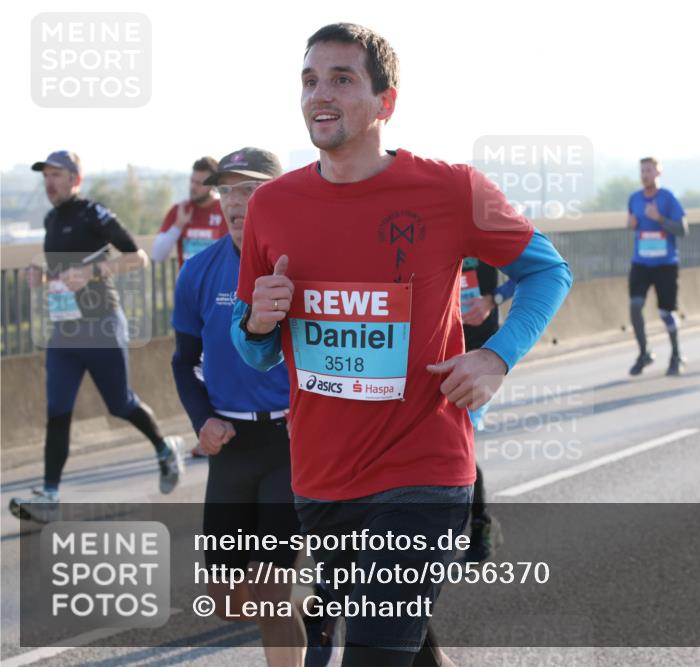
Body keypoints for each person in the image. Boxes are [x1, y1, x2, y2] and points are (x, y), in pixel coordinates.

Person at [230, 23, 572, 666]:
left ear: (385, 101)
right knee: (403, 652)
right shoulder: (272, 205)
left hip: (422, 471)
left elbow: (549, 271)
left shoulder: (450, 190)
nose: (319, 94)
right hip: (323, 478)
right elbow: (257, 351)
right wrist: (256, 325)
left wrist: (495, 355)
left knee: (373, 654)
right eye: (309, 80)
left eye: (341, 79)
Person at [170, 147, 314, 667]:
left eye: (250, 189)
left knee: (271, 594)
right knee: (229, 601)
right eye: (226, 190)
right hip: (230, 444)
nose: (235, 201)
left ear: (278, 195)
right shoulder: (198, 272)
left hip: (289, 442)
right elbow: (184, 361)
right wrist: (202, 420)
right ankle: (317, 607)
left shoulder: (305, 264)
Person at [9, 151, 184, 524]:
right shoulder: (51, 219)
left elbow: (138, 257)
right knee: (57, 411)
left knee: (120, 404)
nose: (49, 182)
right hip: (65, 331)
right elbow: (64, 273)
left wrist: (94, 272)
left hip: (102, 324)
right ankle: (50, 495)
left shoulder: (93, 213)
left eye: (57, 175)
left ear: (75, 179)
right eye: (45, 176)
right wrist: (41, 277)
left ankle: (164, 448)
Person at [458, 258, 518, 563]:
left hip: (482, 355)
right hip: (440, 351)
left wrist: (492, 299)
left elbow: (532, 272)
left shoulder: (486, 234)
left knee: (459, 442)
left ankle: (482, 526)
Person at [626, 157, 688, 376]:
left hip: (665, 264)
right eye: (642, 170)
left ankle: (676, 354)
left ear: (658, 173)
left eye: (649, 170)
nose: (645, 175)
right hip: (641, 263)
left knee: (665, 312)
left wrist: (659, 218)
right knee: (635, 306)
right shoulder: (634, 198)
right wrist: (630, 224)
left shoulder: (668, 198)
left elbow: (682, 230)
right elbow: (631, 224)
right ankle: (644, 352)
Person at [150, 157, 226, 266]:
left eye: (199, 183)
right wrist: (178, 225)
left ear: (212, 185)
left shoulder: (225, 209)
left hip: (218, 276)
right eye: (192, 181)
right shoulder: (180, 210)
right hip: (188, 277)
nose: (193, 187)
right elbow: (157, 255)